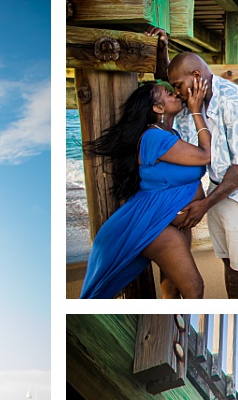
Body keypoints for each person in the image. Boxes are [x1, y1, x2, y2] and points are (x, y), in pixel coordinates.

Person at [79, 56, 212, 299]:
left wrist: (163, 49)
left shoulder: (169, 132)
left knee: (171, 287)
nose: (176, 93)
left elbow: (171, 75)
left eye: (174, 90)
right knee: (194, 288)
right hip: (156, 226)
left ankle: (173, 327)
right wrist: (196, 111)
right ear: (158, 108)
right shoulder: (154, 137)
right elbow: (206, 155)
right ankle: (179, 331)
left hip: (170, 221)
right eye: (168, 93)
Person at [169, 51, 238, 299]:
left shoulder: (236, 101)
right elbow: (170, 75)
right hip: (218, 188)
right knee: (228, 263)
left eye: (178, 86)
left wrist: (204, 204)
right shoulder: (193, 98)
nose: (176, 92)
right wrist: (163, 48)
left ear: (196, 76)